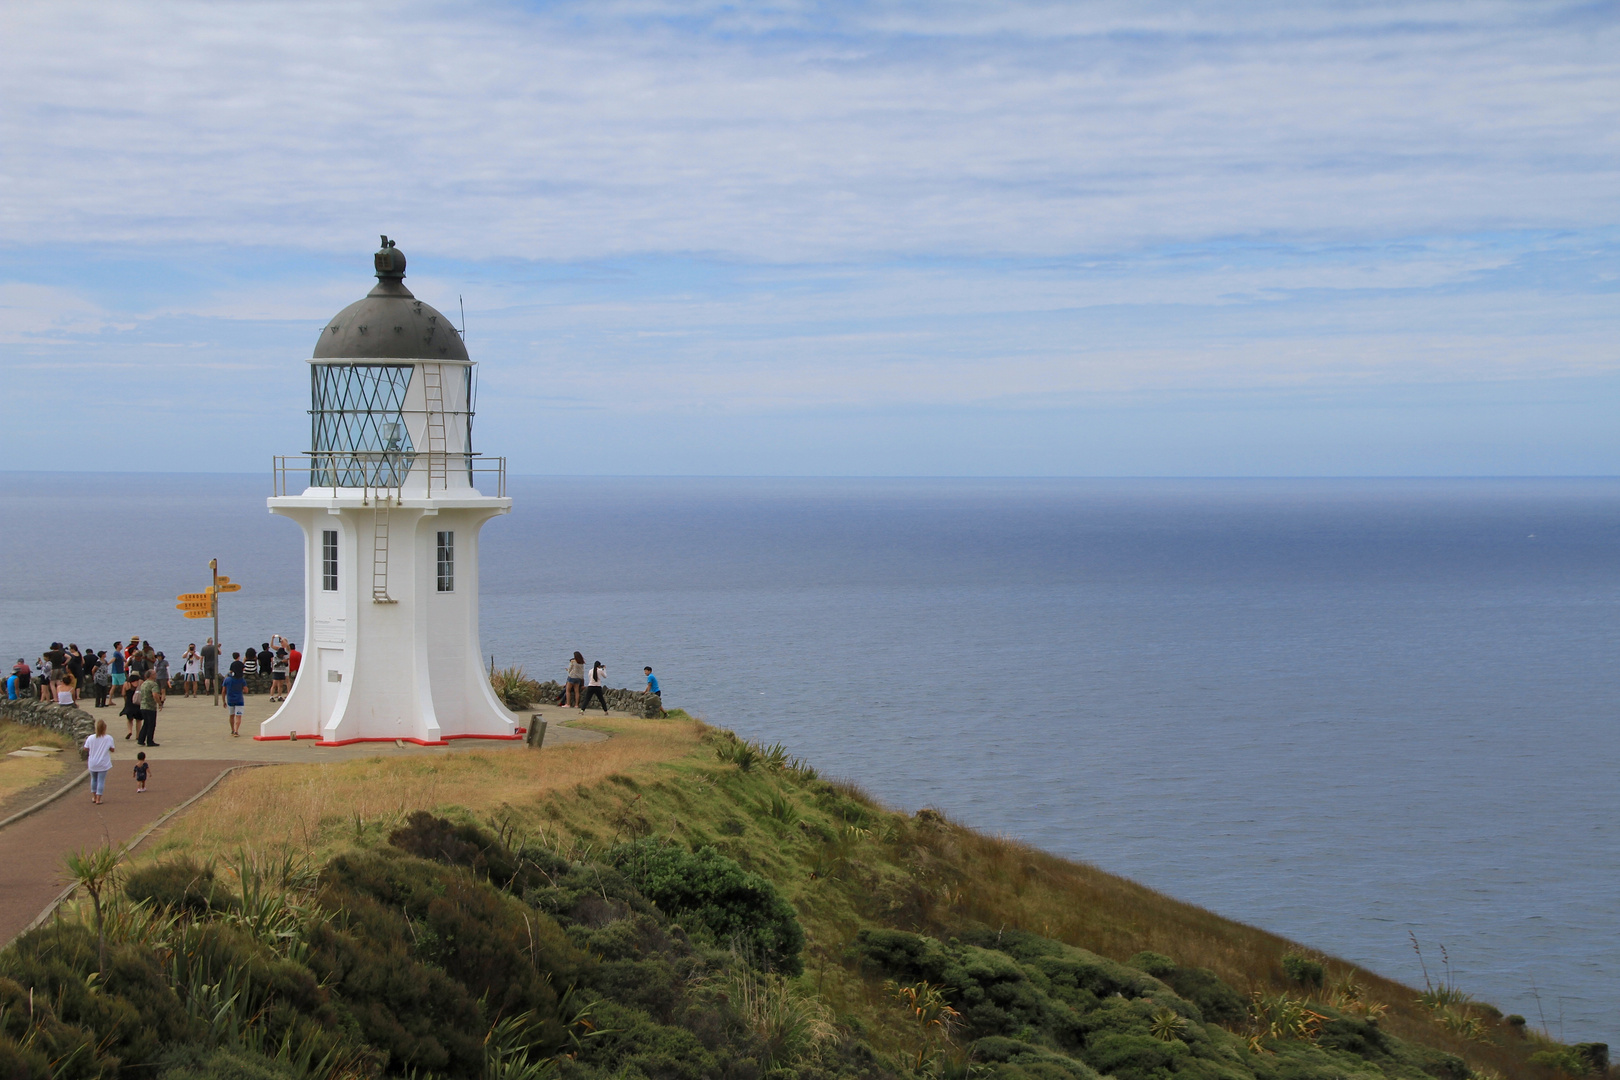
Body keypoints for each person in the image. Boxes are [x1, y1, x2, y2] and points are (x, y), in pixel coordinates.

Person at [84, 718, 115, 805]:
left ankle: (94, 797)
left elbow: (85, 748)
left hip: (92, 762)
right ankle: (98, 798)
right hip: (103, 762)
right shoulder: (108, 738)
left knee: (94, 779)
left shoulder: (90, 738)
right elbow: (112, 749)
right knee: (101, 780)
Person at [136, 673, 161, 746]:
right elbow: (155, 695)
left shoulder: (143, 683)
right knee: (151, 724)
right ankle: (150, 741)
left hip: (143, 706)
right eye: (154, 674)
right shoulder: (153, 684)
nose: (156, 675)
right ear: (151, 675)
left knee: (146, 723)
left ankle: (141, 739)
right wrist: (159, 703)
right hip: (150, 707)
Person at [223, 668, 246, 736]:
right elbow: (246, 690)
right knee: (238, 716)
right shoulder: (241, 680)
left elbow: (223, 691)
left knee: (231, 715)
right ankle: (236, 730)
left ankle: (232, 729)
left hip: (230, 700)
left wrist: (224, 701)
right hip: (239, 700)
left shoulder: (227, 679)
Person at [120, 674, 142, 739]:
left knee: (129, 719)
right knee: (138, 720)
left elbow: (123, 694)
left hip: (129, 703)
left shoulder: (126, 684)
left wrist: (125, 701)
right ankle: (138, 735)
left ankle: (130, 731)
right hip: (137, 704)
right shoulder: (139, 684)